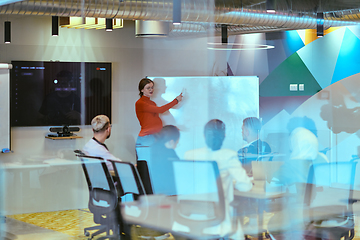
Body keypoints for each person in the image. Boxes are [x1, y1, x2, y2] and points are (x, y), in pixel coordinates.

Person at [184, 119, 252, 240]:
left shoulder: (189, 155)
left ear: (204, 135)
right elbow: (245, 187)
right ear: (224, 136)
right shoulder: (228, 155)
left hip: (193, 215)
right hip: (218, 218)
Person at [135, 77, 183, 161]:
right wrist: (176, 100)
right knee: (148, 165)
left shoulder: (152, 103)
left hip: (154, 137)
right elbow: (161, 110)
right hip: (147, 137)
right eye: (148, 88)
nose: (151, 90)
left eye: (152, 87)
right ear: (142, 90)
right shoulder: (140, 103)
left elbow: (154, 121)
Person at [148, 125, 180, 196]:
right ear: (171, 142)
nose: (176, 146)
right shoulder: (170, 154)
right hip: (167, 195)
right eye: (177, 143)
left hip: (151, 194)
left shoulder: (151, 149)